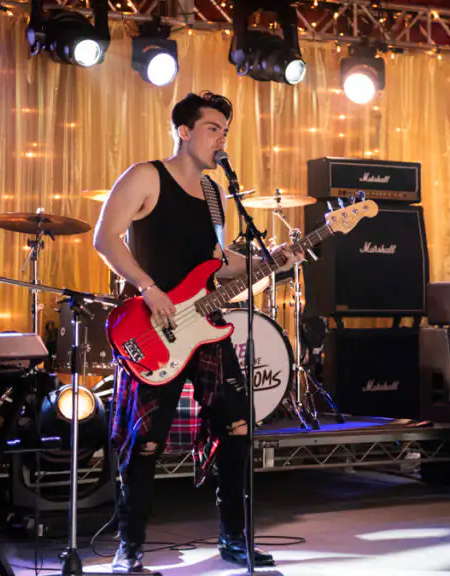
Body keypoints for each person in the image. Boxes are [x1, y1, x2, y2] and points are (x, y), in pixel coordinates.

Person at [93, 92, 301, 572]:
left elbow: (216, 262)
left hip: (205, 327)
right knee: (146, 440)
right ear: (183, 131)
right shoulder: (146, 176)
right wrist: (148, 288)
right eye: (212, 128)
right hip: (154, 326)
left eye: (225, 131)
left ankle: (234, 539)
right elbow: (104, 237)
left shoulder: (214, 194)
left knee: (237, 427)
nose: (221, 138)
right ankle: (130, 547)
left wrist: (271, 260)